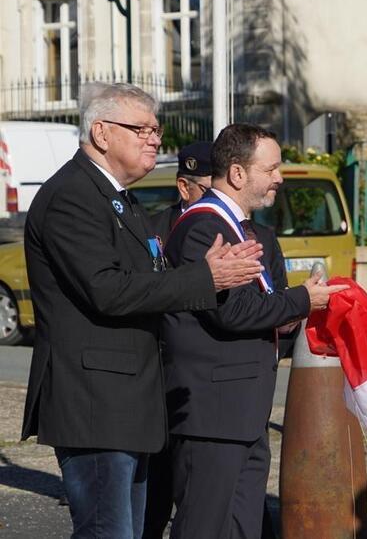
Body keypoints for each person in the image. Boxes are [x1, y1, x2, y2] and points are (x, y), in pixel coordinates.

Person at [21, 82, 265, 539]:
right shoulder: (73, 195)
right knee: (106, 531)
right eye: (141, 129)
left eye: (156, 129)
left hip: (126, 403)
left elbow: (148, 284)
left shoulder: (118, 198)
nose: (154, 138)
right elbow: (108, 290)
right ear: (101, 132)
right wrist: (203, 278)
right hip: (94, 400)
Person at [161, 123, 346, 539]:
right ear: (239, 174)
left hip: (244, 410)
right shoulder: (204, 228)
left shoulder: (243, 227)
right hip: (211, 412)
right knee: (203, 526)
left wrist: (291, 310)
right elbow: (232, 312)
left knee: (244, 527)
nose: (279, 177)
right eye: (271, 168)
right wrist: (302, 301)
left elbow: (262, 304)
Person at [142, 140, 214, 539]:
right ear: (184, 188)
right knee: (155, 488)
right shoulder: (154, 228)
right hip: (160, 369)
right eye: (206, 188)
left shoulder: (231, 226)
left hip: (205, 374)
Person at [152, 140, 214, 241]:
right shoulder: (153, 230)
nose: (221, 198)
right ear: (184, 188)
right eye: (211, 191)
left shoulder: (239, 225)